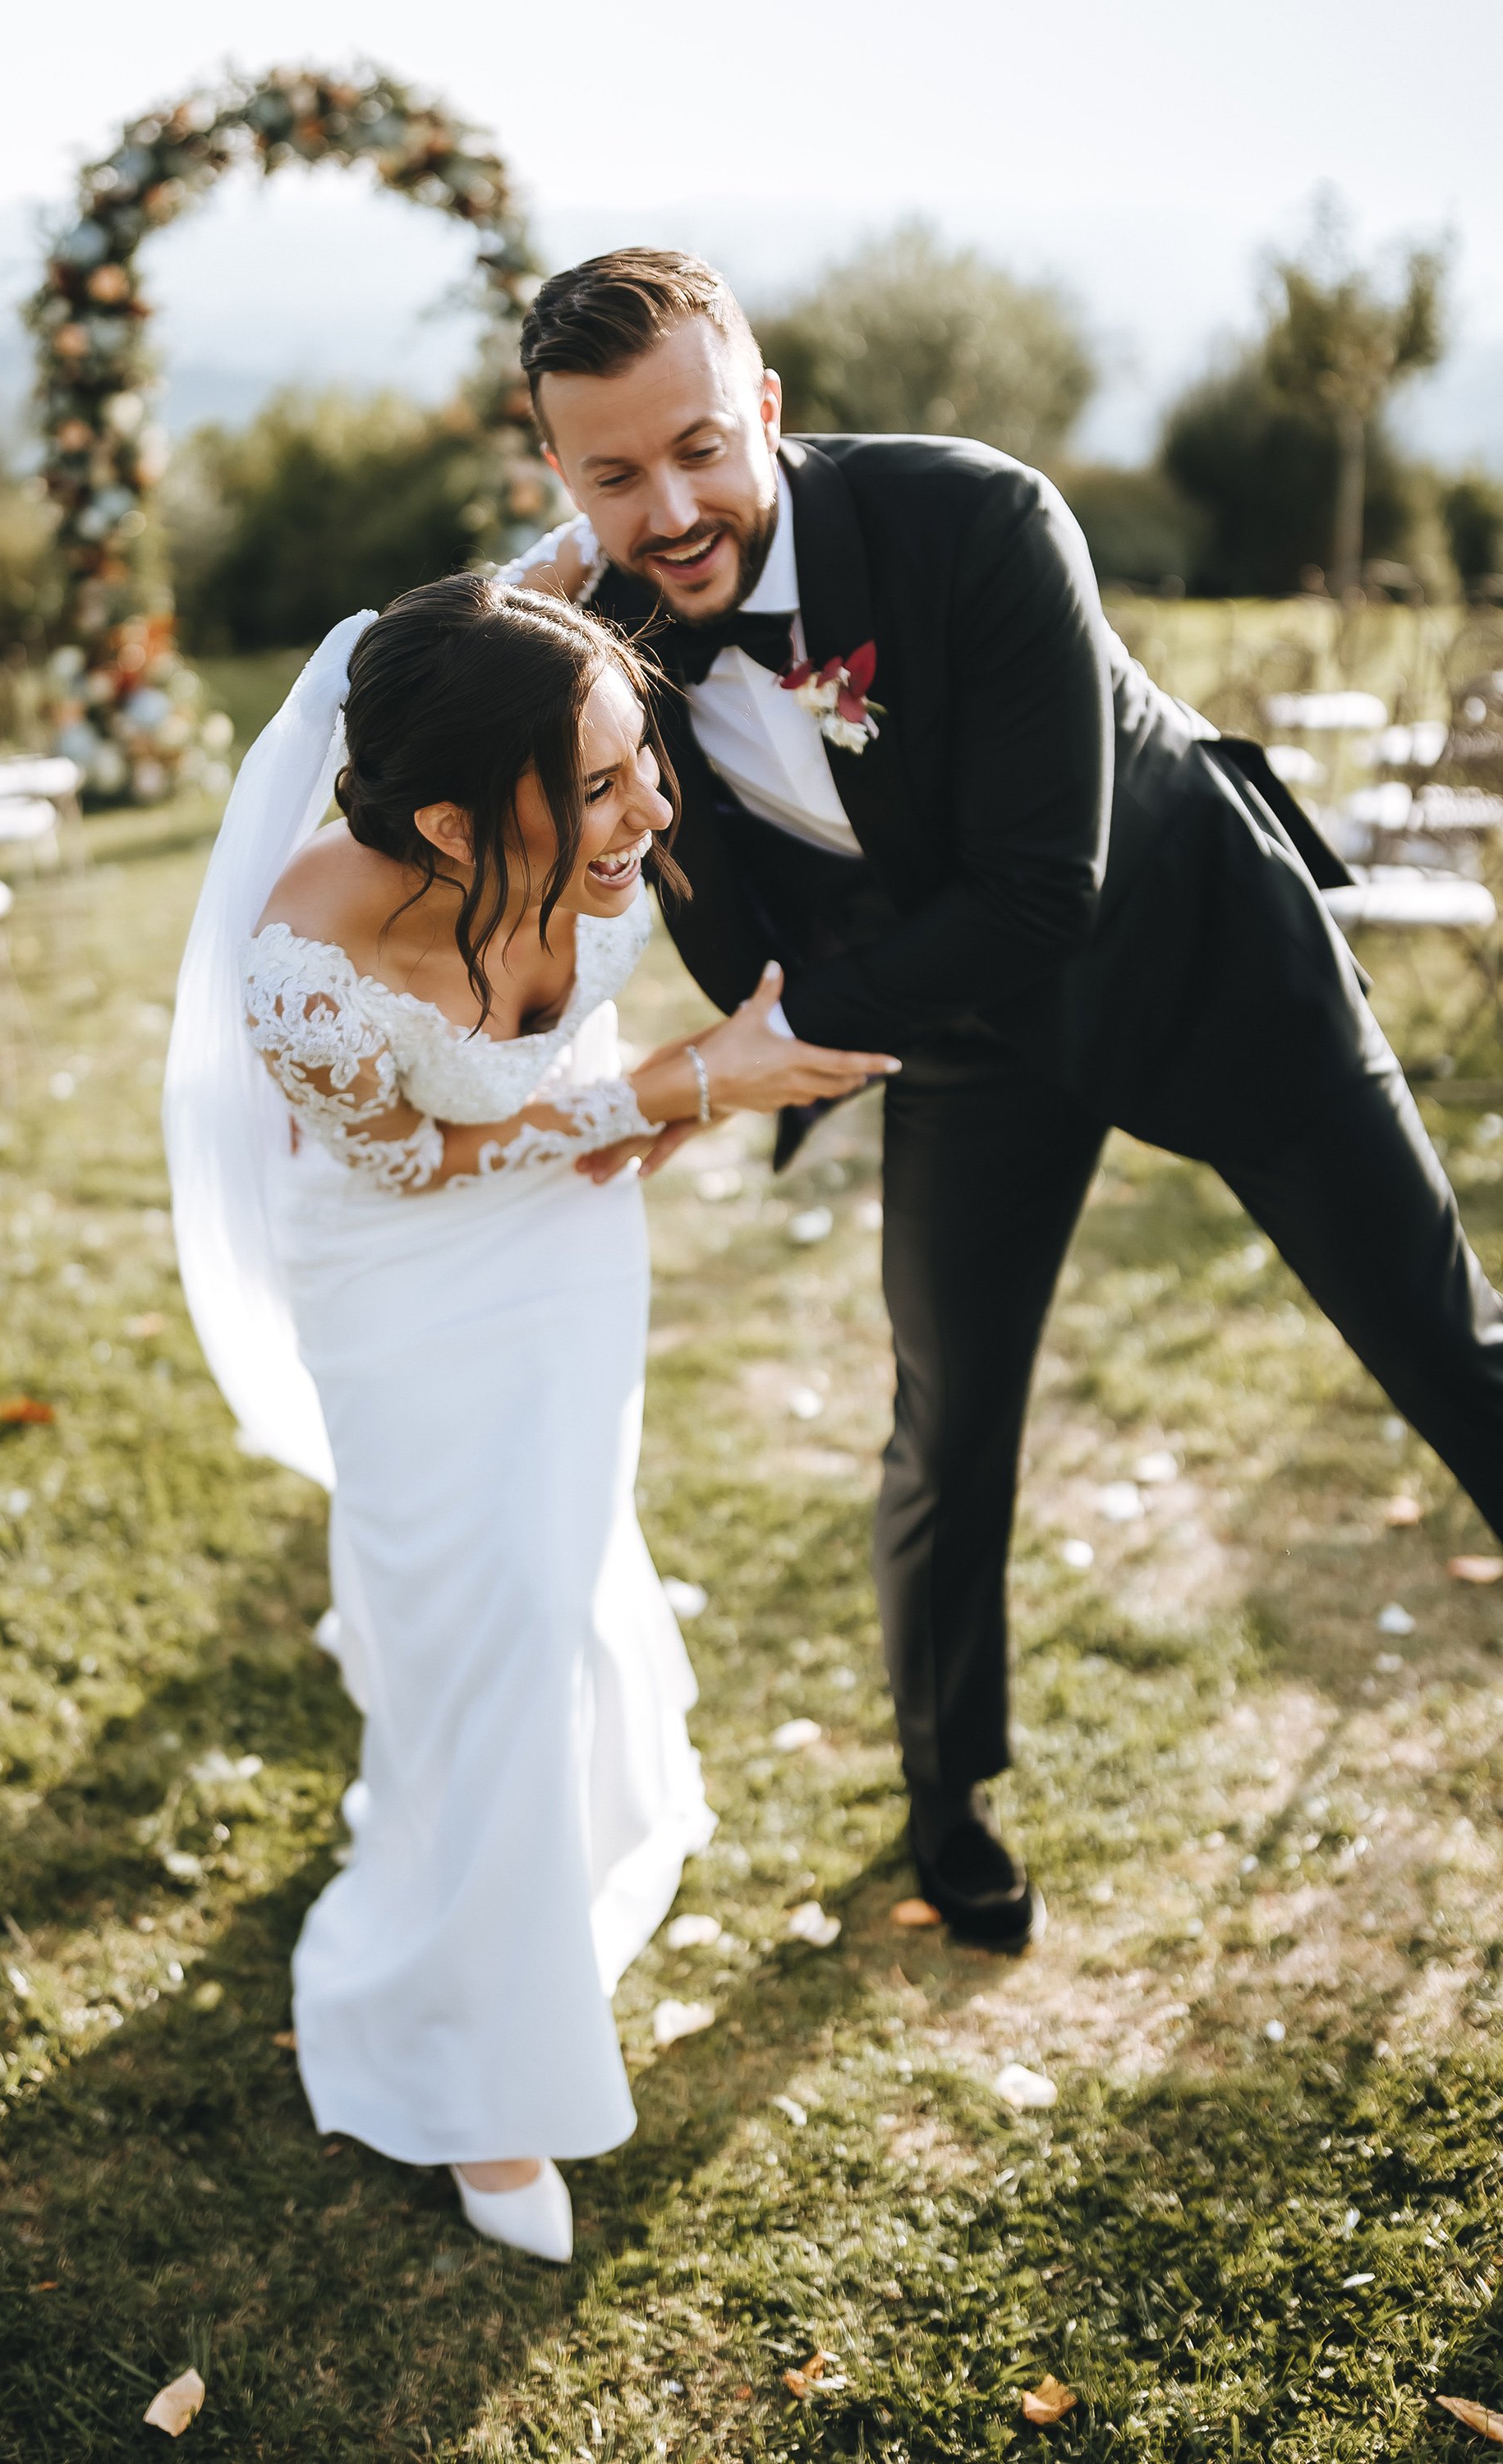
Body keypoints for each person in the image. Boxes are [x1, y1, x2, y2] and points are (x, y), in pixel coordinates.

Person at [503, 246, 1503, 1957]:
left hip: (1204, 960)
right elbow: (679, 894)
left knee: (1438, 1338)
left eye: (697, 449)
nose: (668, 510)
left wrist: (782, 1032)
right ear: (560, 479)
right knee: (945, 1428)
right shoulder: (601, 647)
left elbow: (1045, 887)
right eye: (613, 476)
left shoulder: (982, 518)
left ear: (765, 407)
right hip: (956, 1039)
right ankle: (946, 1802)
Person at [163, 576, 895, 2260]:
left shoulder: (570, 748)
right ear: (442, 816)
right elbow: (416, 1160)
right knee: (473, 1624)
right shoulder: (308, 962)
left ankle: (596, 1809)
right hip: (407, 1275)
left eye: (643, 758)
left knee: (555, 1583)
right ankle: (485, 2083)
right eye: (598, 788)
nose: (651, 805)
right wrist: (686, 1080)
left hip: (570, 1257)